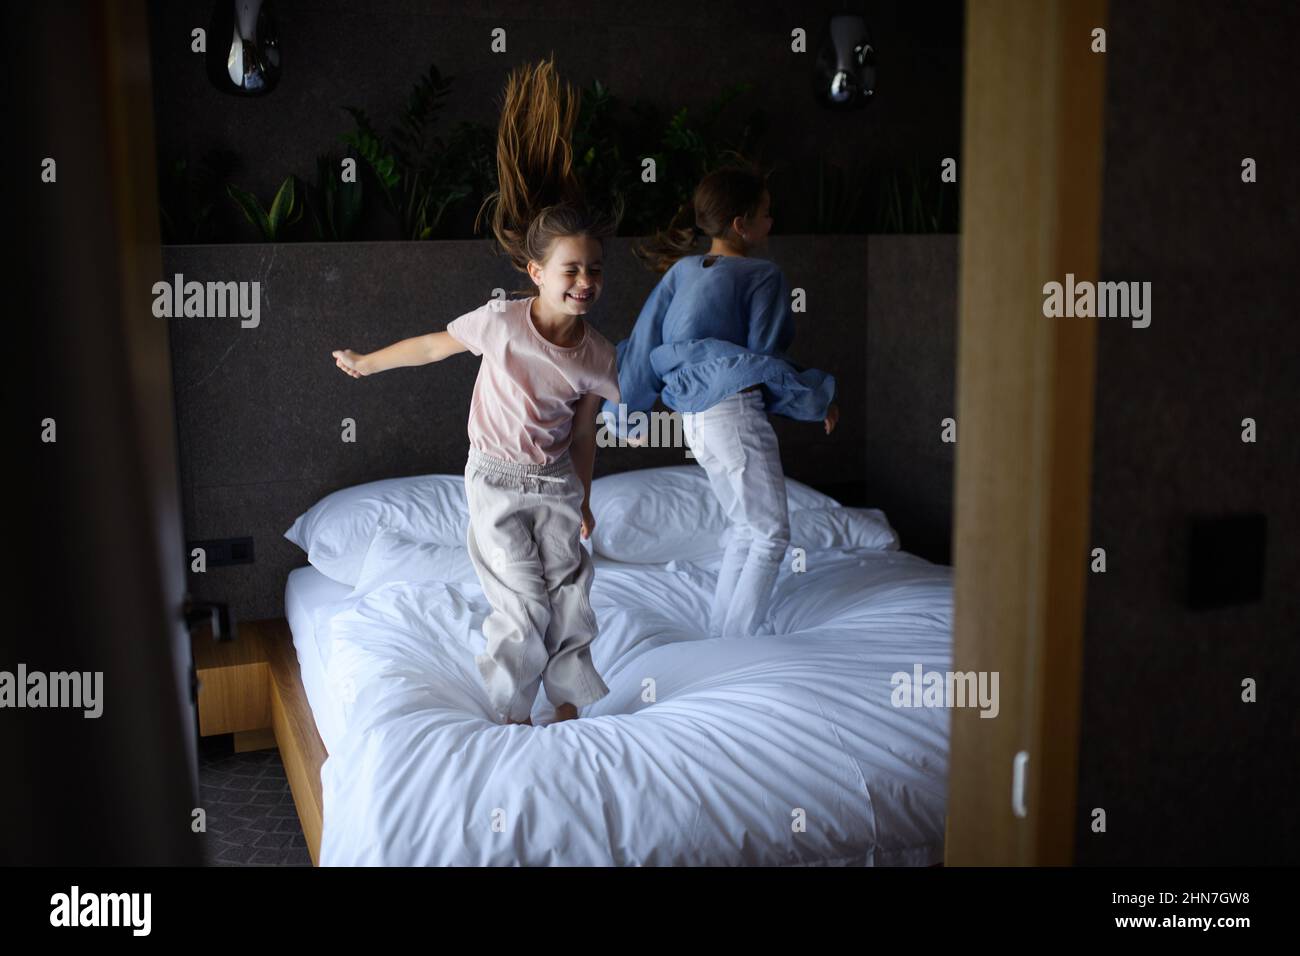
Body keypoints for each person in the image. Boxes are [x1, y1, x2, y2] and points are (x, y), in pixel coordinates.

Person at [332, 58, 620, 726]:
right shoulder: (501, 322)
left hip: (554, 481)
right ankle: (510, 711)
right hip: (493, 479)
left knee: (571, 590)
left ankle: (570, 702)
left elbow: (582, 434)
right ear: (535, 272)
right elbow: (434, 345)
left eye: (595, 271)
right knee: (523, 598)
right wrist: (369, 363)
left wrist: (581, 501)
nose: (584, 282)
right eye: (570, 270)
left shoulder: (600, 356)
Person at [604, 165, 839, 639]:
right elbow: (764, 357)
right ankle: (738, 641)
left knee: (744, 529)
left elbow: (645, 338)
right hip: (733, 413)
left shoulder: (682, 270)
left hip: (696, 420)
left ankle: (723, 633)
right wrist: (816, 401)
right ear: (741, 224)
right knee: (771, 534)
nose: (771, 224)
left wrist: (623, 411)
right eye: (766, 214)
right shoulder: (763, 275)